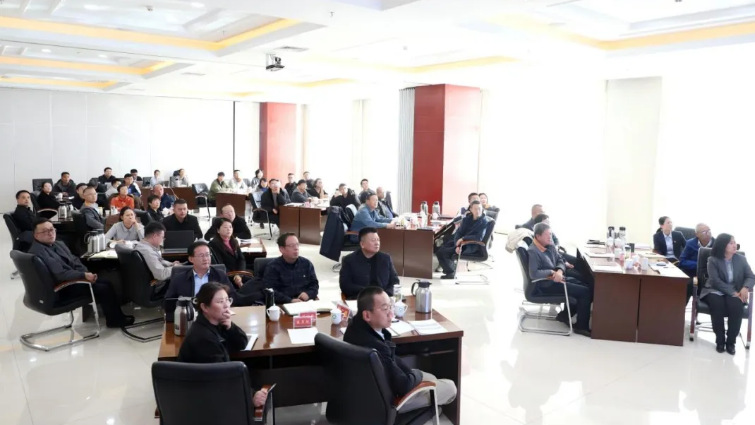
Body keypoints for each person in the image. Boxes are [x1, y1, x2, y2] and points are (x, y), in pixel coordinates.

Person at [343, 287, 457, 413]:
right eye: (385, 309)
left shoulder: (354, 326)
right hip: (386, 402)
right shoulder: (375, 346)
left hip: (364, 393)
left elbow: (390, 360)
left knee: (430, 377)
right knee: (450, 387)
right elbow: (403, 385)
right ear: (367, 315)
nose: (391, 314)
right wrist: (416, 375)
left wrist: (409, 373)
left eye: (390, 306)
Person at [176, 283, 270, 407]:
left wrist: (230, 327)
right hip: (206, 401)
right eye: (220, 302)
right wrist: (251, 396)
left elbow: (242, 343)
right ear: (205, 307)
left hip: (211, 391)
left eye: (227, 300)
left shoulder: (214, 322)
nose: (226, 305)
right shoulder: (203, 338)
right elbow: (222, 378)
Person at [29, 218, 134, 327]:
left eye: (51, 229)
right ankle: (115, 320)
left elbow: (74, 260)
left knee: (106, 282)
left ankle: (115, 317)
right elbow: (60, 274)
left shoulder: (58, 244)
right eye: (45, 231)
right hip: (63, 288)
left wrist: (85, 272)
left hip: (73, 279)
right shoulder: (39, 252)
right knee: (103, 288)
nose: (50, 233)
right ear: (36, 235)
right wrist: (83, 275)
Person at [528, 222, 592, 337]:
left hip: (559, 278)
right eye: (547, 235)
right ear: (538, 236)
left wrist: (559, 271)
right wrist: (552, 272)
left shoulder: (549, 245)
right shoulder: (533, 251)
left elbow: (560, 259)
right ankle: (581, 326)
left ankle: (565, 315)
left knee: (586, 286)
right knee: (585, 292)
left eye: (550, 234)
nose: (550, 237)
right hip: (548, 284)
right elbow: (534, 274)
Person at [704, 233, 754, 355]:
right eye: (731, 243)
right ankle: (720, 340)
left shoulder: (741, 259)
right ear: (723, 245)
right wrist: (732, 292)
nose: (734, 245)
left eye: (735, 242)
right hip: (715, 290)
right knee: (717, 306)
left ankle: (731, 342)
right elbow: (715, 281)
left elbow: (751, 276)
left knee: (736, 307)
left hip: (736, 291)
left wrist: (745, 287)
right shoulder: (713, 260)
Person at [165, 241, 235, 318]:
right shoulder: (179, 279)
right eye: (201, 256)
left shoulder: (220, 275)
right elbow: (168, 301)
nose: (205, 259)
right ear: (191, 259)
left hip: (215, 316)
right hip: (189, 316)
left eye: (207, 255)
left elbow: (232, 295)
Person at [340, 227, 399, 299]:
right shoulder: (349, 260)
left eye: (378, 240)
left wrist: (385, 294)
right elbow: (345, 285)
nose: (377, 243)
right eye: (373, 240)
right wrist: (369, 294)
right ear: (362, 244)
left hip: (383, 298)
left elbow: (395, 281)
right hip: (360, 299)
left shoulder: (385, 258)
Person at [436, 201, 488, 279]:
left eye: (479, 209)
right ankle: (450, 270)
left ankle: (451, 273)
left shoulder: (483, 221)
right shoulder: (467, 219)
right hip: (461, 243)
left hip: (472, 245)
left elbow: (478, 237)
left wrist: (462, 240)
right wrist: (457, 244)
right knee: (439, 251)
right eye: (475, 209)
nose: (478, 211)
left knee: (445, 252)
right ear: (471, 209)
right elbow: (459, 233)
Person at [263, 233, 319, 304]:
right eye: (292, 245)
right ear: (282, 249)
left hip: (305, 302)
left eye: (297, 244)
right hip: (283, 304)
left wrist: (308, 294)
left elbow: (314, 284)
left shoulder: (306, 264)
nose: (296, 248)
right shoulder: (273, 267)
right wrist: (290, 300)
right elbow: (269, 290)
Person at [134, 222, 178, 288]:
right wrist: (175, 268)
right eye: (162, 237)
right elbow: (161, 275)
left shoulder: (142, 246)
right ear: (155, 236)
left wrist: (171, 264)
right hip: (155, 285)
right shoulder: (148, 252)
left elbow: (158, 260)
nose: (163, 240)